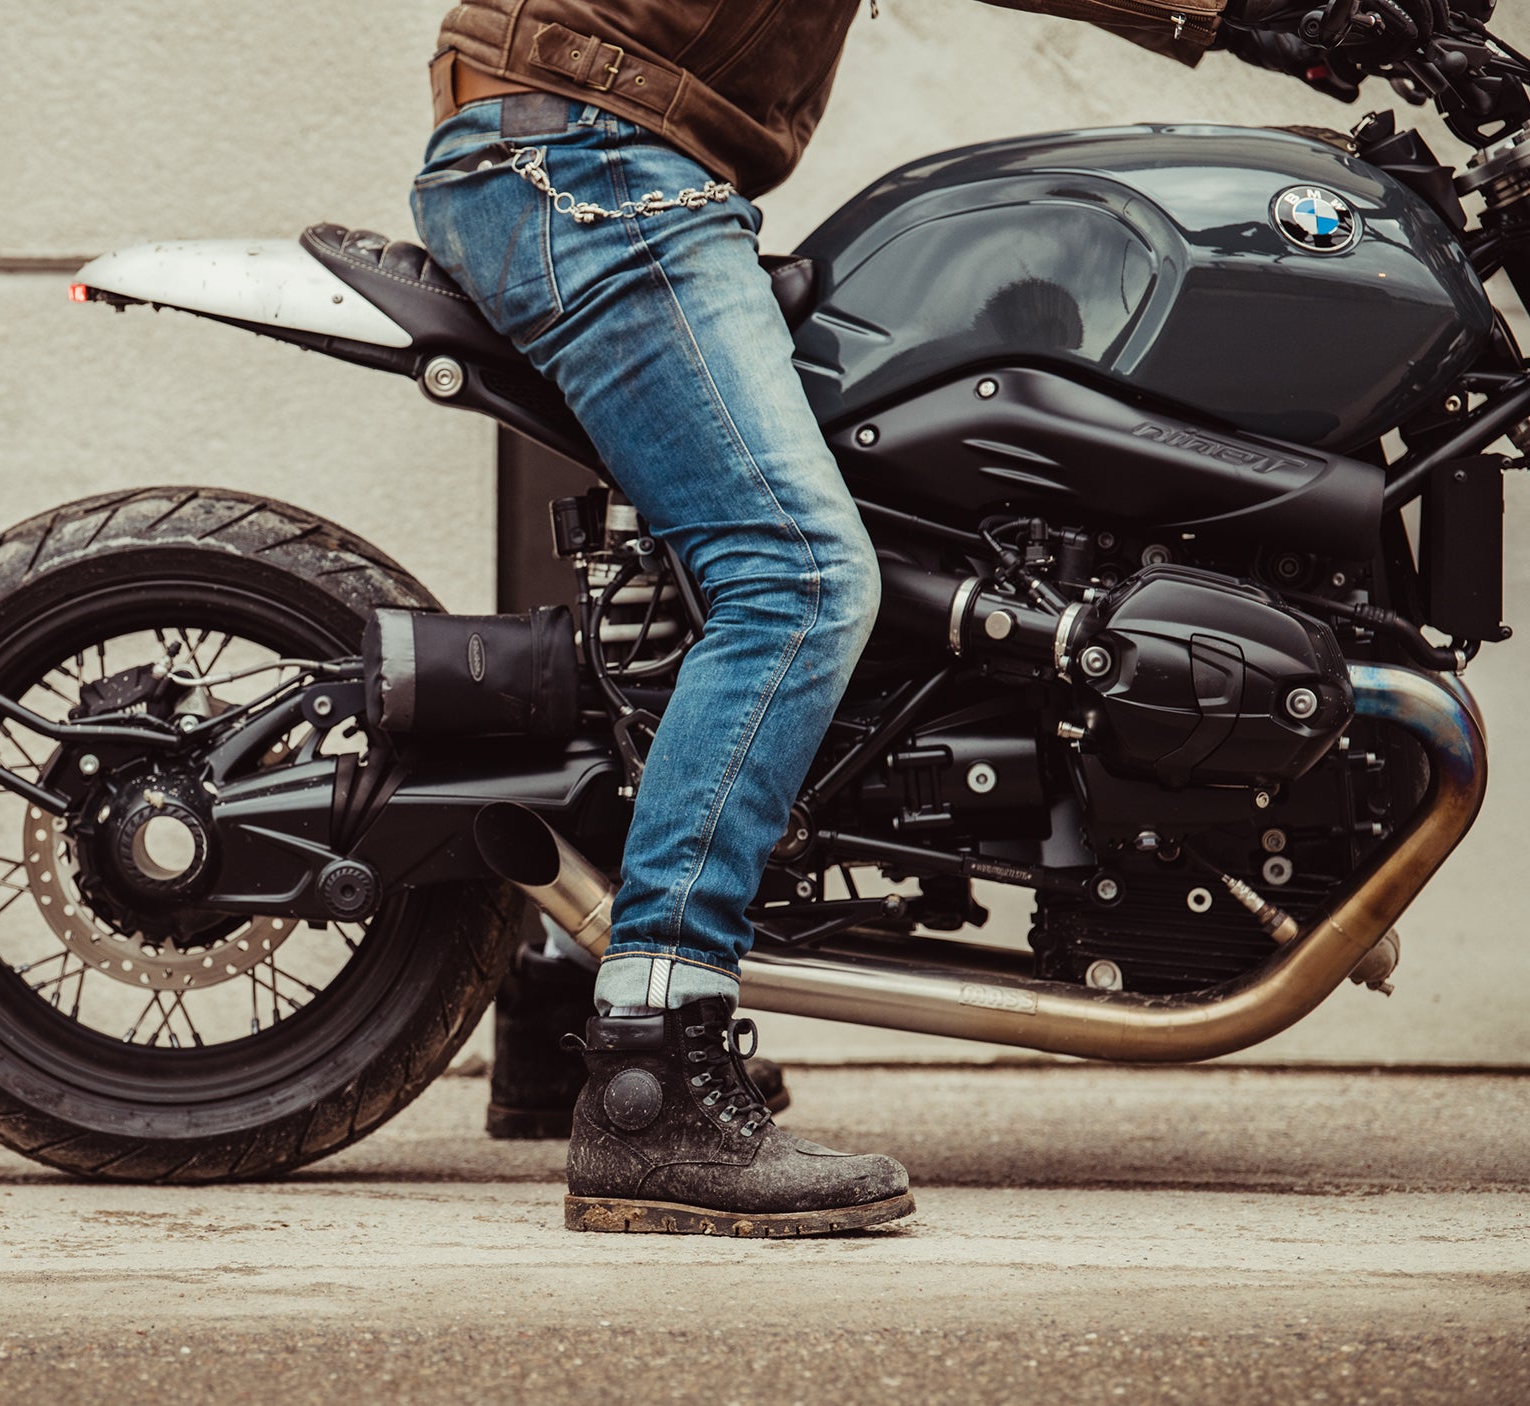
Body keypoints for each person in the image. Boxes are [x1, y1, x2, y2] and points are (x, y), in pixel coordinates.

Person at [411, 0, 1348, 1235]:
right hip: (587, 159)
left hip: (594, 144)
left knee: (809, 544)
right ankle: (647, 1075)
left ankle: (558, 991)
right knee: (794, 575)